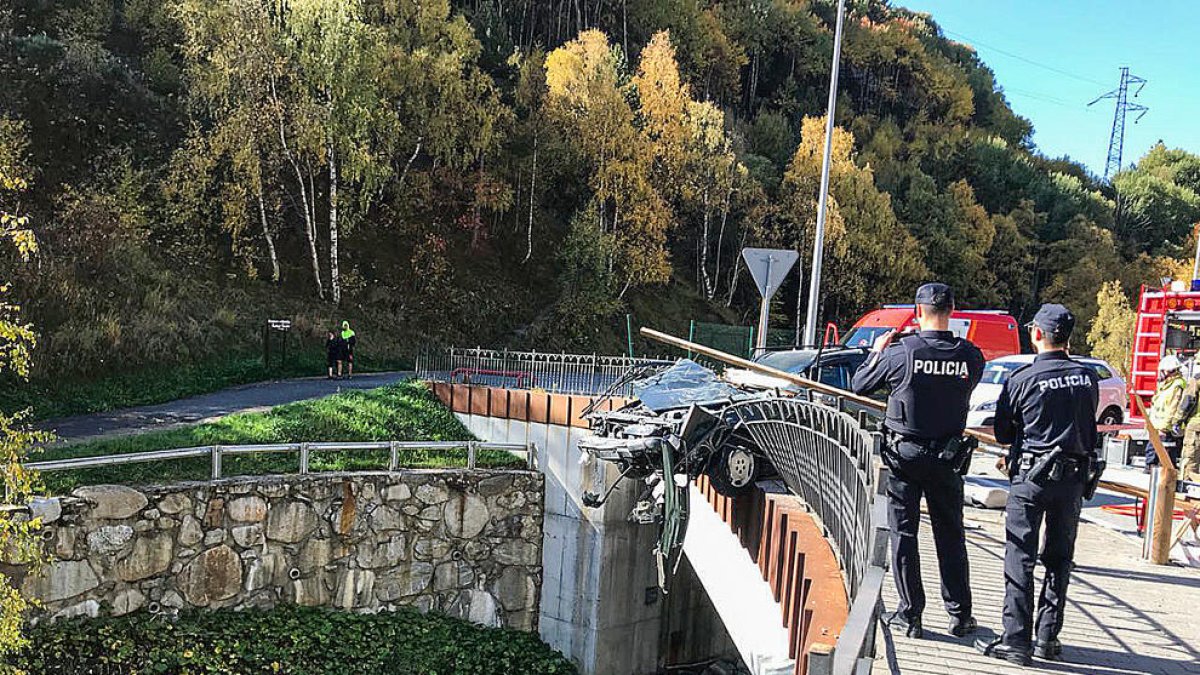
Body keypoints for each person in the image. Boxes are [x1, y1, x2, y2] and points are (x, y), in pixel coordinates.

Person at [852, 282, 985, 639]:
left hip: (905, 455)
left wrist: (876, 353)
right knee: (951, 534)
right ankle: (960, 615)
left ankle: (910, 615)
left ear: (917, 312)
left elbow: (860, 384)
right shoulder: (970, 355)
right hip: (948, 457)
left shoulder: (901, 352)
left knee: (904, 533)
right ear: (952, 312)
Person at [975, 304, 1099, 666]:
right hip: (1074, 479)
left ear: (1037, 334)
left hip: (1031, 477)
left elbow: (1003, 432)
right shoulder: (1087, 377)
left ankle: (1016, 640)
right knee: (1060, 559)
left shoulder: (1022, 379)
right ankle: (1047, 637)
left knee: (1020, 556)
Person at [1148, 354, 1185, 471]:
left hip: (1165, 427)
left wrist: (1165, 426)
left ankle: (1164, 473)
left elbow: (1172, 408)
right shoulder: (1165, 384)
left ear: (1169, 371)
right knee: (1153, 450)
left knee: (1166, 454)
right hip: (1157, 425)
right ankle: (1152, 468)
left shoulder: (1177, 385)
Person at [1177, 363, 1200, 482]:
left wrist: (1178, 420)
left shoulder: (1196, 380)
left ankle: (1187, 486)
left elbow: (1188, 401)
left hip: (1196, 426)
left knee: (1190, 461)